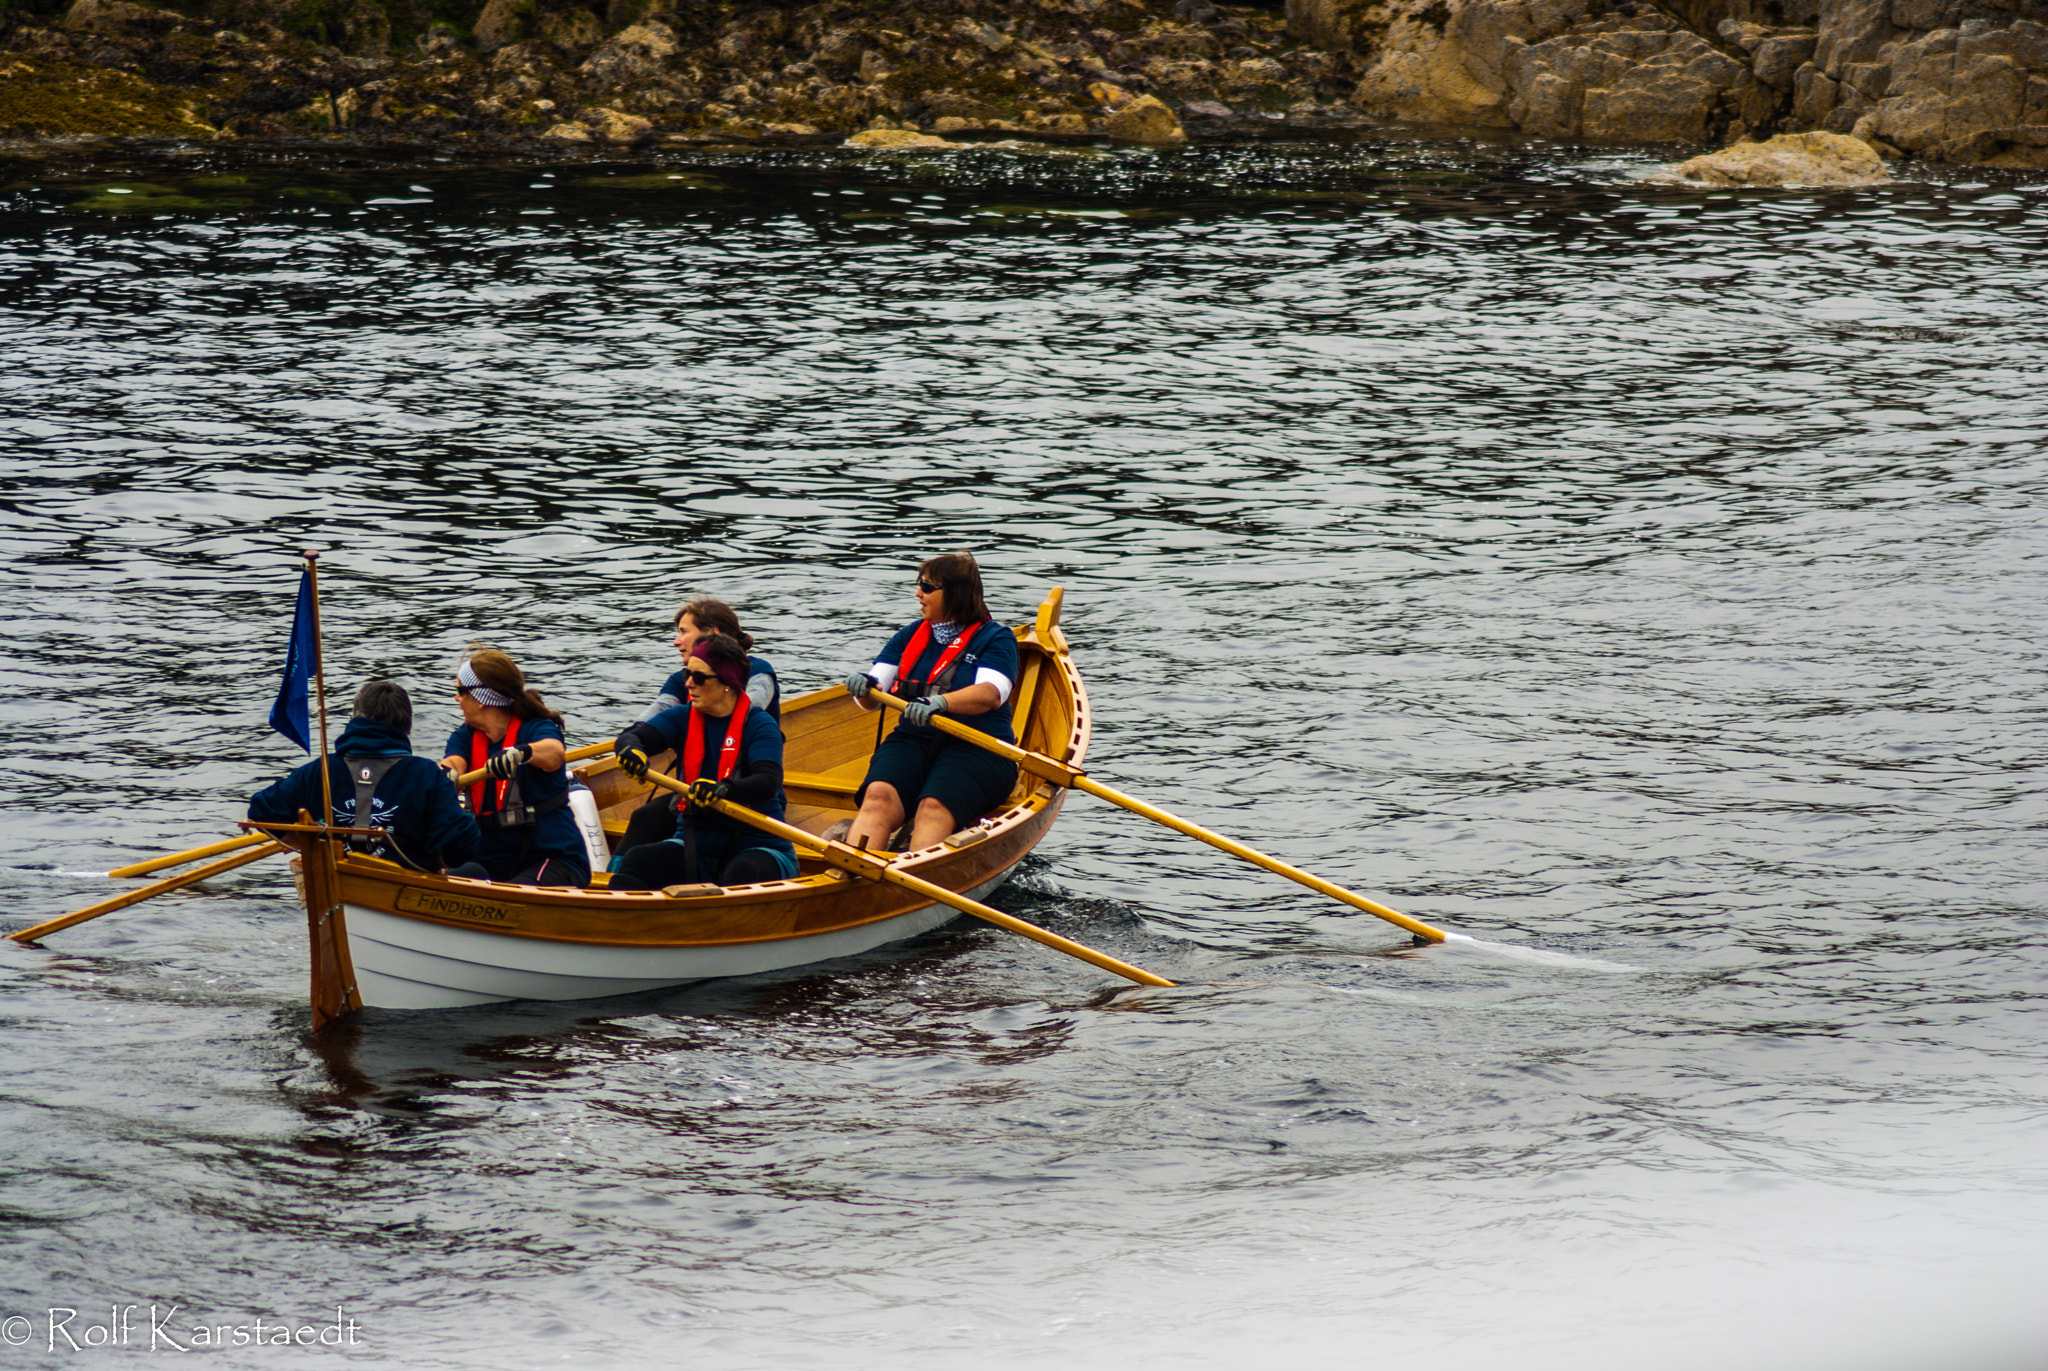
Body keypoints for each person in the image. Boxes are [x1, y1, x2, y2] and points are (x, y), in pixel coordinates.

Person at [841, 552, 1021, 853]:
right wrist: (864, 688)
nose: (918, 593)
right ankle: (853, 875)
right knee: (878, 798)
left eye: (927, 586)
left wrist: (940, 703)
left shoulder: (996, 638)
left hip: (978, 747)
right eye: (919, 584)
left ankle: (915, 884)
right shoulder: (910, 634)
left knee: (932, 807)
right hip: (915, 741)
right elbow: (873, 696)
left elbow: (991, 693)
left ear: (954, 593)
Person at [609, 632, 799, 890]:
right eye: (687, 675)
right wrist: (631, 751)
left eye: (698, 677)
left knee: (740, 874)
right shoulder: (681, 717)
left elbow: (767, 781)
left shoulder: (759, 724)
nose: (688, 684)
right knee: (638, 860)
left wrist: (723, 789)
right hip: (695, 843)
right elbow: (632, 737)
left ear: (727, 683)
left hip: (758, 843)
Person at [248, 679, 480, 872]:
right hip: (406, 885)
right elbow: (462, 843)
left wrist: (309, 848)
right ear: (406, 726)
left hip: (334, 874)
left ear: (355, 719)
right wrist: (440, 859)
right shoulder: (427, 775)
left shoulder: (321, 771)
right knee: (476, 870)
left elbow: (261, 809)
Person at [616, 597, 781, 858]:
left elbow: (748, 705)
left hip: (748, 793)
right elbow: (651, 717)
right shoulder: (682, 679)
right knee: (644, 818)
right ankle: (610, 885)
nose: (676, 641)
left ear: (711, 635)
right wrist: (630, 743)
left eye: (683, 631)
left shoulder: (758, 672)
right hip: (694, 790)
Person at [438, 649, 590, 888]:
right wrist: (444, 774)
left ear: (480, 699)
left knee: (515, 888)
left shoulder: (536, 728)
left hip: (553, 858)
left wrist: (522, 753)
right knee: (444, 878)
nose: (456, 698)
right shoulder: (465, 735)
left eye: (460, 691)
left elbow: (554, 753)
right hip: (491, 860)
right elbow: (454, 762)